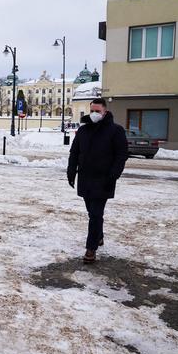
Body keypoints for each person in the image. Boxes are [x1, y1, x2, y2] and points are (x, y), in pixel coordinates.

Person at [67, 98, 128, 264]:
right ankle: (99, 236)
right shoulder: (84, 130)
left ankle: (91, 249)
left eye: (97, 111)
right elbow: (74, 152)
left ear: (105, 112)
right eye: (92, 111)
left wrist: (113, 175)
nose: (94, 114)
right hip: (86, 179)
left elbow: (121, 155)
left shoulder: (116, 131)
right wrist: (71, 171)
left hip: (104, 179)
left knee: (95, 213)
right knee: (92, 212)